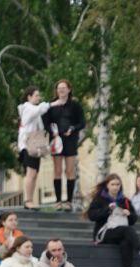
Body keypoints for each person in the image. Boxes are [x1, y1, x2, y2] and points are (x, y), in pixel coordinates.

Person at [86, 174, 140, 267]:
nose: (115, 187)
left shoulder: (124, 200)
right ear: (107, 185)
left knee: (126, 241)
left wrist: (129, 214)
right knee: (127, 230)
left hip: (118, 232)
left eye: (117, 184)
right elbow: (92, 216)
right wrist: (107, 209)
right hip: (103, 233)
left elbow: (133, 219)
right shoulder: (99, 199)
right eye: (112, 184)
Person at [48, 81, 85, 210]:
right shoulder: (52, 104)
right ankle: (58, 201)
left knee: (70, 171)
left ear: (69, 90)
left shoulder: (75, 105)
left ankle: (68, 201)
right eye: (59, 88)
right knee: (57, 171)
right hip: (56, 140)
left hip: (70, 140)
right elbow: (45, 121)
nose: (61, 90)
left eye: (64, 88)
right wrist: (52, 131)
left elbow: (82, 122)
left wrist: (73, 128)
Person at [15, 88, 50, 209]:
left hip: (35, 144)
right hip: (27, 144)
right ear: (29, 97)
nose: (38, 98)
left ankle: (30, 199)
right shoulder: (28, 108)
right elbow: (41, 109)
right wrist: (53, 103)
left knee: (34, 173)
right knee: (30, 172)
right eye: (36, 96)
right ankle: (27, 200)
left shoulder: (34, 110)